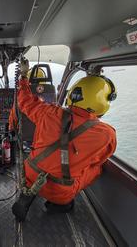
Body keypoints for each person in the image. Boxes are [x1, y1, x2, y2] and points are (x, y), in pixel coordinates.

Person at [12, 59, 117, 221]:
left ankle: (30, 193)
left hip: (30, 175)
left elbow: (25, 101)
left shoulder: (47, 112)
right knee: (97, 169)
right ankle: (58, 205)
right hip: (60, 191)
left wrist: (24, 76)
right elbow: (99, 160)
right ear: (102, 101)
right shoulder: (106, 134)